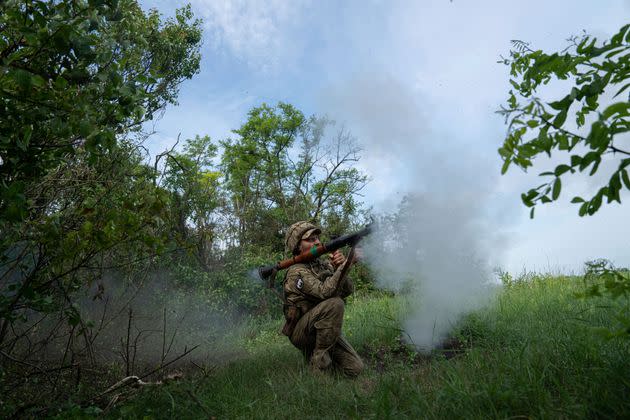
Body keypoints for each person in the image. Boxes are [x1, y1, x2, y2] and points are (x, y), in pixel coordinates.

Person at [281, 221, 364, 377]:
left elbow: (347, 290)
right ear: (298, 245)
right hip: (302, 332)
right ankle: (318, 369)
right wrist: (347, 264)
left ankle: (319, 359)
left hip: (323, 327)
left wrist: (340, 266)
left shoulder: (321, 264)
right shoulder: (296, 272)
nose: (317, 242)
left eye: (317, 238)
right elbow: (324, 292)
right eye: (310, 239)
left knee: (355, 368)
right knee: (335, 304)